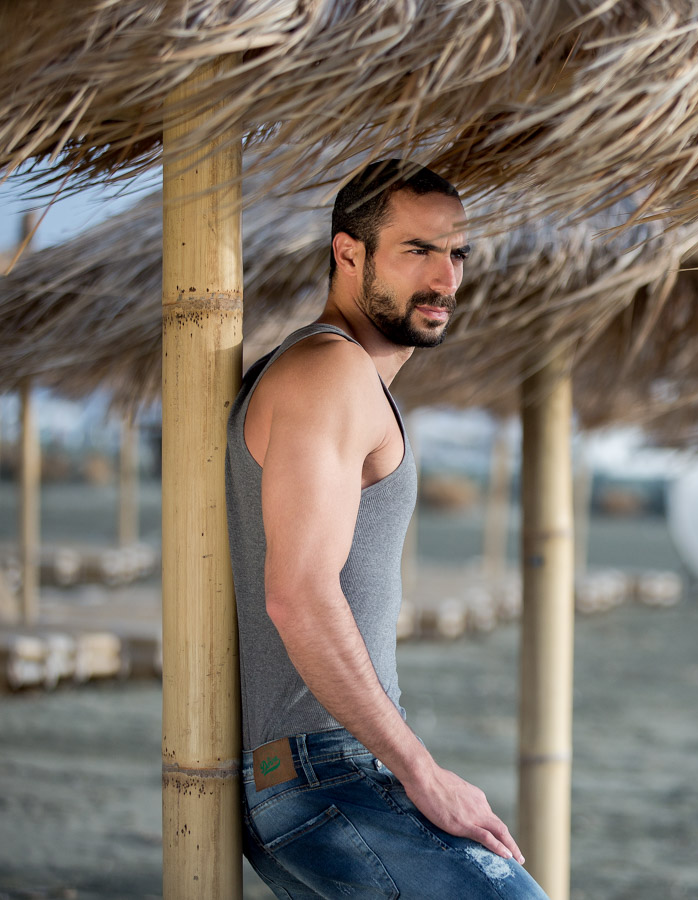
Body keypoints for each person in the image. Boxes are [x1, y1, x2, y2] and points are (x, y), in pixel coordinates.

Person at [226, 160, 548, 899]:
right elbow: (300, 597)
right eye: (416, 251)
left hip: (321, 774)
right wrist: (421, 772)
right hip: (323, 777)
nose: (445, 279)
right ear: (348, 254)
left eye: (456, 253)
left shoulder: (341, 378)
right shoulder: (329, 373)